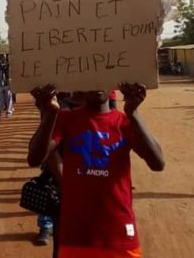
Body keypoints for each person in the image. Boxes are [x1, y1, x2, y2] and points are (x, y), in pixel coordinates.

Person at [28, 83, 165, 258]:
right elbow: (34, 158)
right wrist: (49, 114)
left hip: (119, 233)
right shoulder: (65, 119)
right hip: (76, 235)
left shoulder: (124, 122)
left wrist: (133, 113)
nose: (97, 85)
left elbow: (157, 163)